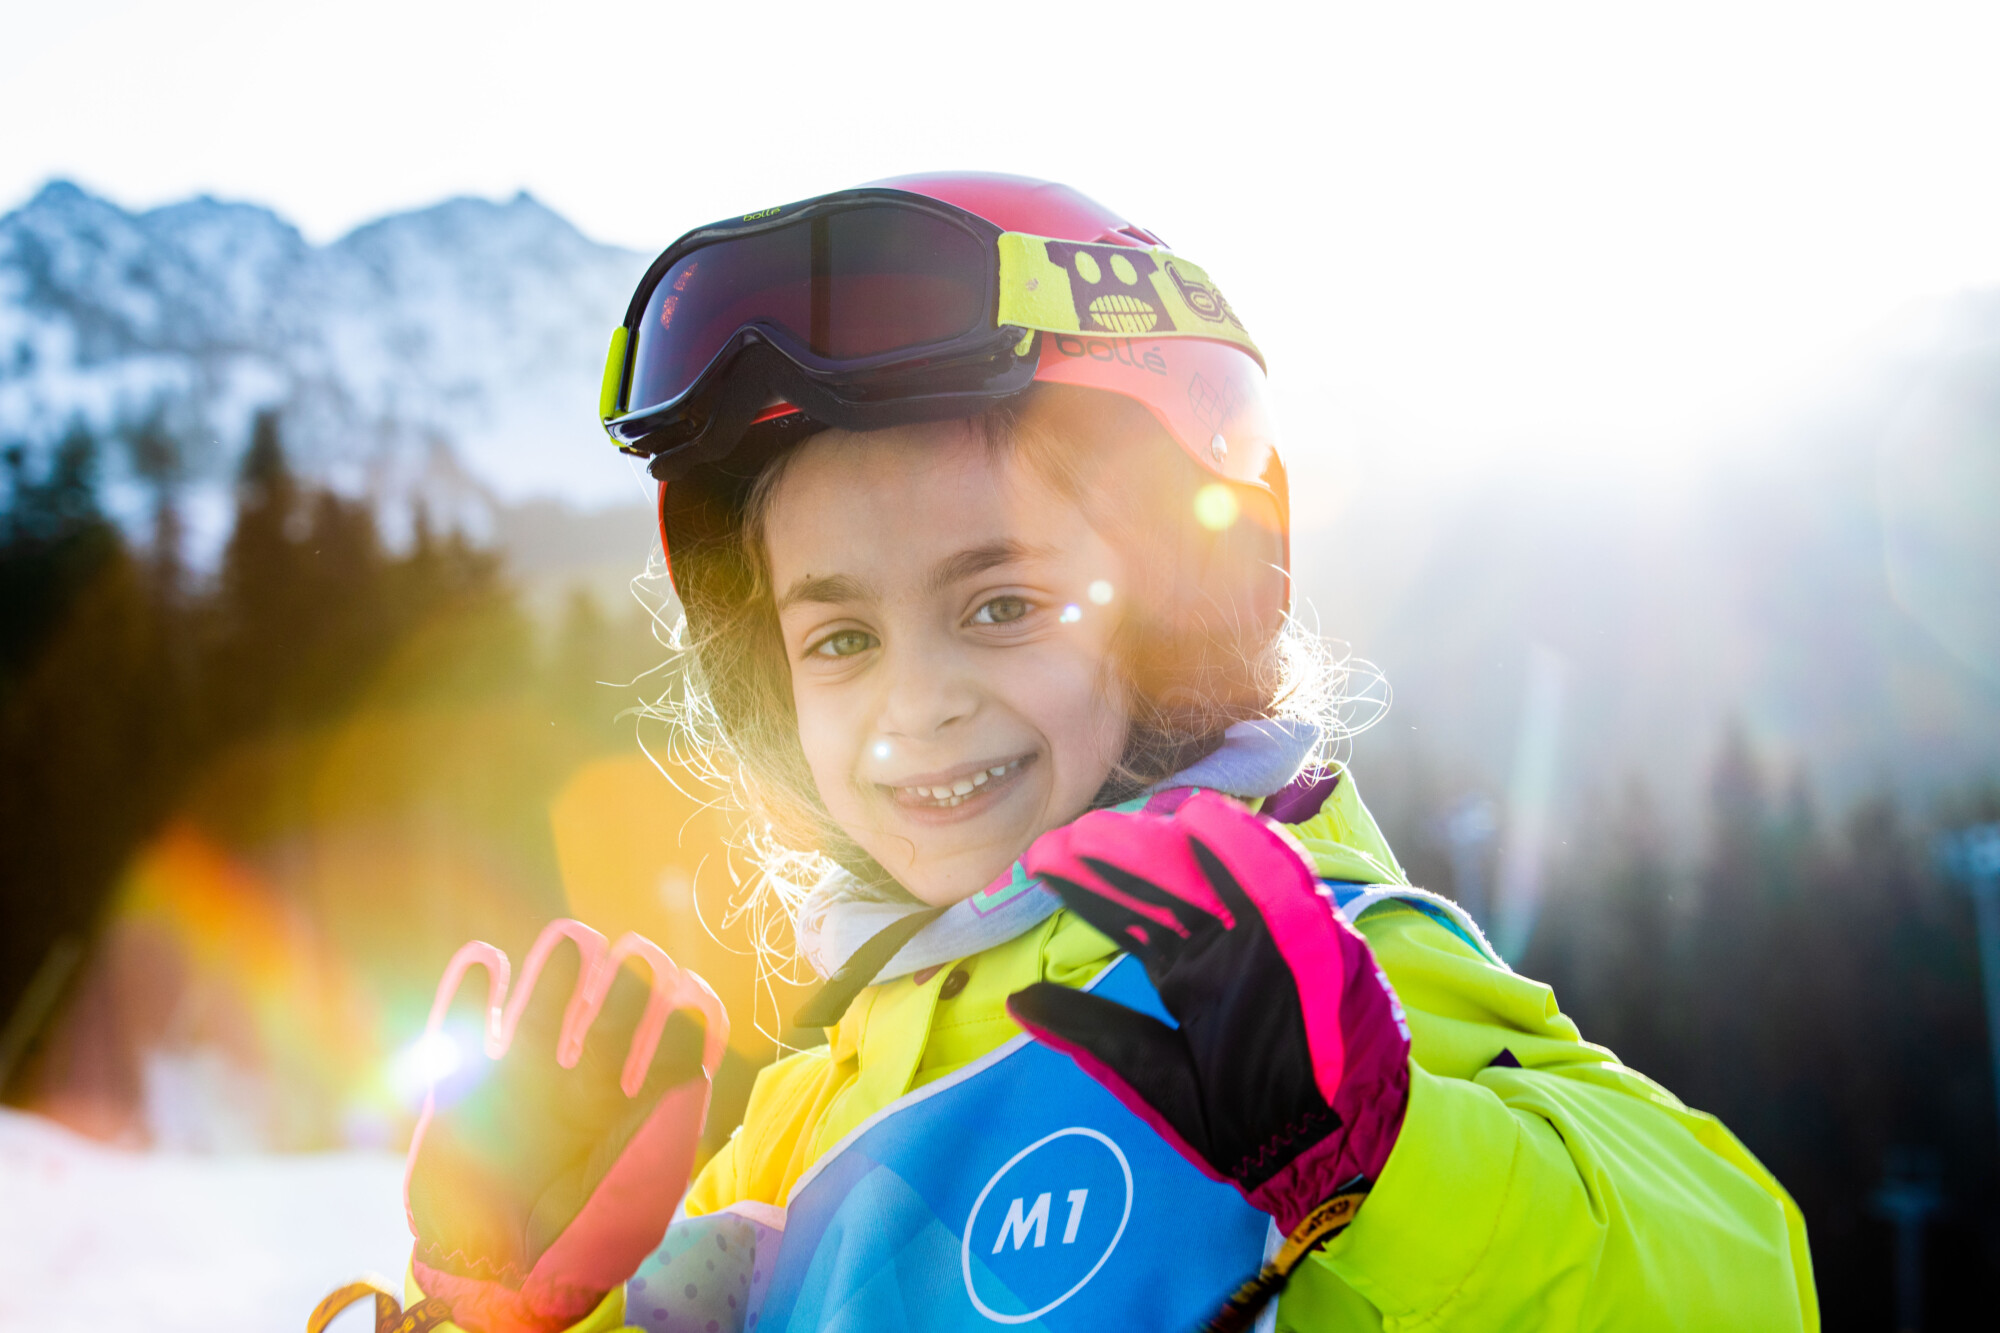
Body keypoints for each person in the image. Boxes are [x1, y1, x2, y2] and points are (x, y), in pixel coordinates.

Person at [315, 174, 1817, 1333]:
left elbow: (1738, 1281)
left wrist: (1385, 1155)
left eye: (1001, 605)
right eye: (841, 638)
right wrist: (500, 1314)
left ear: (1173, 614)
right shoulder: (805, 1122)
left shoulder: (1299, 989)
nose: (915, 705)